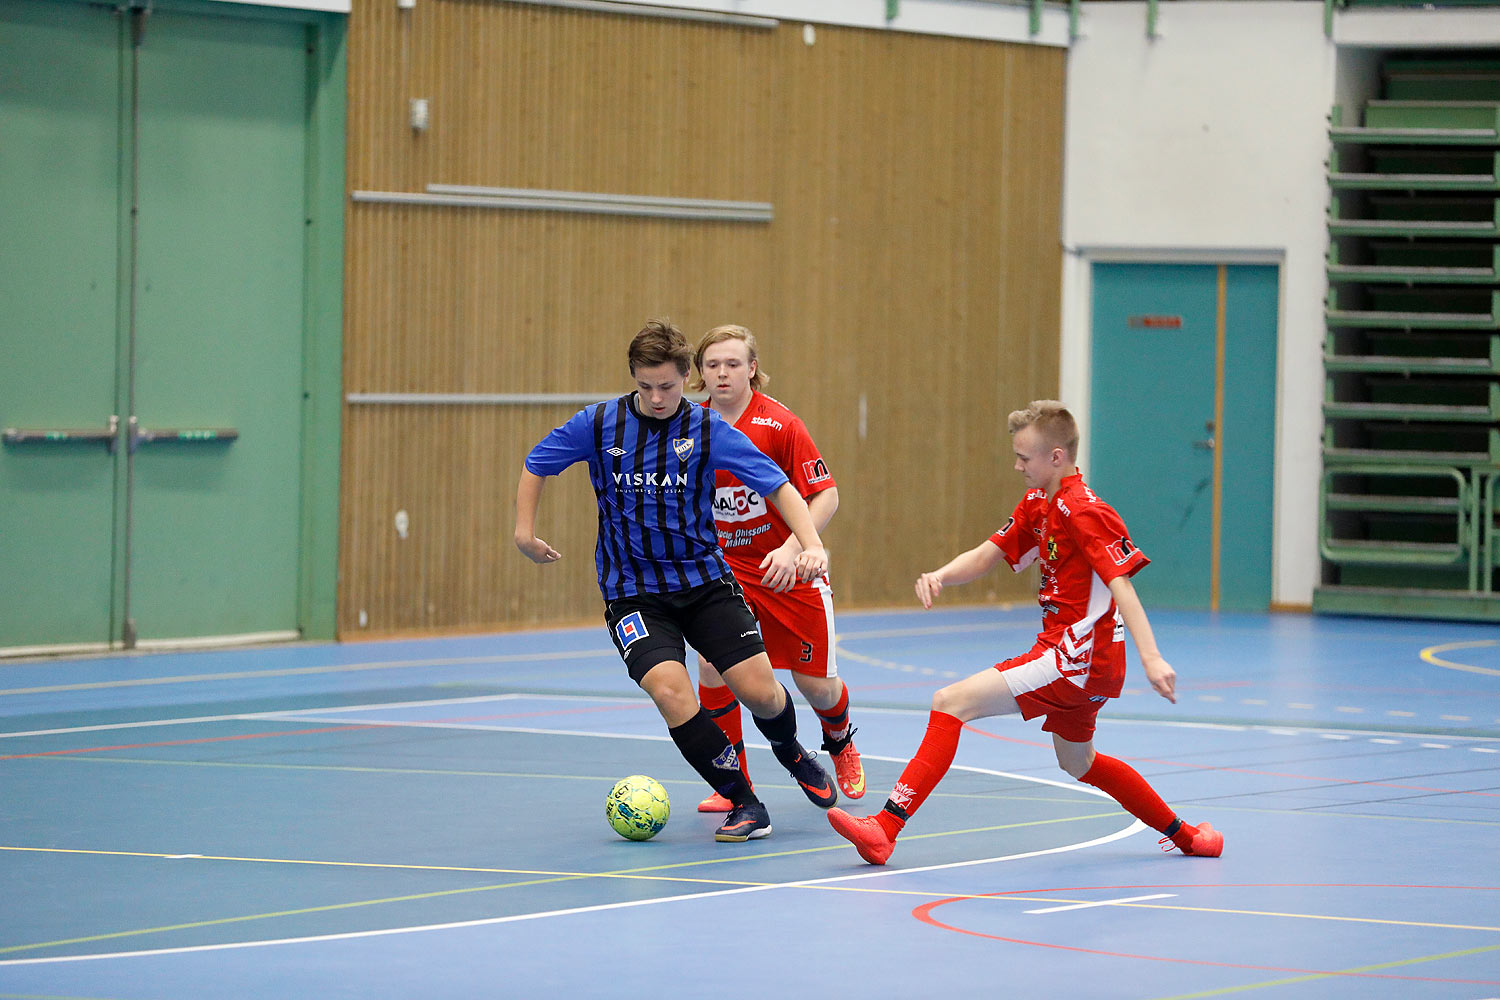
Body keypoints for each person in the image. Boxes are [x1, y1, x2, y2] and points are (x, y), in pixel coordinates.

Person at [826, 400, 1223, 864]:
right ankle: (1190, 837)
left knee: (949, 702)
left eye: (1024, 457)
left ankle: (885, 828)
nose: (1017, 465)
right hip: (1088, 664)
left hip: (1074, 658)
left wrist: (1152, 658)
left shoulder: (1084, 510)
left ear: (1057, 456)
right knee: (1079, 762)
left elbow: (1122, 585)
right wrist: (940, 575)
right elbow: (988, 553)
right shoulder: (1039, 503)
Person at [515, 319, 839, 843]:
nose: (657, 397)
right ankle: (744, 801)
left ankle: (791, 749)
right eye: (645, 386)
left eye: (667, 386)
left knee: (760, 694)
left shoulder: (708, 430)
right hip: (632, 594)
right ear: (633, 379)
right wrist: (524, 533)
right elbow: (538, 463)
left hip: (705, 583)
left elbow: (779, 486)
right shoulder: (599, 425)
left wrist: (812, 543)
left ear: (686, 379)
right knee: (671, 692)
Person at [688, 325, 864, 813]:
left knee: (816, 685)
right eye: (712, 365)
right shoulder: (689, 424)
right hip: (726, 573)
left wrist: (792, 548)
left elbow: (825, 494)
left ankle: (839, 737)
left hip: (788, 569)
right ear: (700, 373)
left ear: (752, 369)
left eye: (732, 364)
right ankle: (732, 782)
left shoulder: (780, 425)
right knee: (712, 666)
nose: (722, 373)